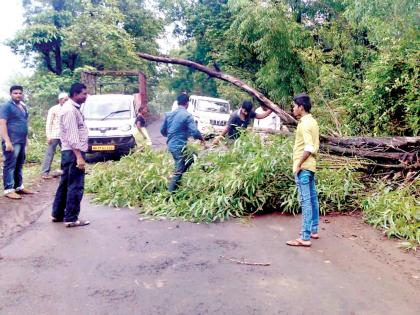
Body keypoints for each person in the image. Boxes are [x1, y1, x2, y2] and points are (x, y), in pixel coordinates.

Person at [51, 83, 90, 227]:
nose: (86, 96)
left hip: (69, 152)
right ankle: (71, 218)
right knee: (75, 185)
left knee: (65, 183)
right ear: (75, 94)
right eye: (83, 94)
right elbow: (73, 137)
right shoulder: (69, 110)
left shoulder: (72, 108)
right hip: (73, 153)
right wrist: (79, 157)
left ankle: (58, 213)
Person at [286, 93, 320, 247]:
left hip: (304, 167)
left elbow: (308, 147)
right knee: (313, 199)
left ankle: (305, 237)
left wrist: (299, 164)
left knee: (306, 201)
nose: (293, 108)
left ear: (301, 107)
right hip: (311, 166)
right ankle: (314, 230)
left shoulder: (304, 124)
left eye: (294, 106)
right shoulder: (313, 122)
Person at [161, 93, 206, 192]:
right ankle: (169, 195)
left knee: (192, 156)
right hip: (179, 146)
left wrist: (172, 135)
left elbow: (163, 131)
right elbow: (194, 132)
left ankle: (178, 179)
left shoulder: (169, 114)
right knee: (180, 168)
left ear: (178, 103)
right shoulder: (187, 115)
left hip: (172, 145)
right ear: (187, 103)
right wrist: (202, 139)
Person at [0, 85, 34, 199]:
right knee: (10, 165)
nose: (18, 95)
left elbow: (24, 123)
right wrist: (7, 141)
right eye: (15, 93)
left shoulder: (23, 106)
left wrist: (26, 139)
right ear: (10, 94)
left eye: (20, 93)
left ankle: (19, 187)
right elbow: (2, 124)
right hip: (12, 141)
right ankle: (8, 189)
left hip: (21, 141)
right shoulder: (6, 106)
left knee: (19, 164)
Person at [41, 92, 68, 179]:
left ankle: (64, 171)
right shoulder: (53, 109)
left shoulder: (69, 109)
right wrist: (48, 136)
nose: (65, 101)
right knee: (49, 153)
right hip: (54, 135)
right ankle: (45, 172)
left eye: (67, 99)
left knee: (66, 153)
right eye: (64, 99)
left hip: (65, 136)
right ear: (60, 100)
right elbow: (49, 123)